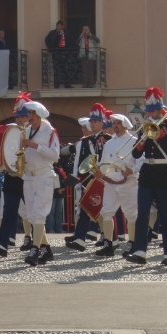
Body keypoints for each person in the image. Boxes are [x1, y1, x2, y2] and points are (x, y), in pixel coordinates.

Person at [125, 87, 167, 266]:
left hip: (163, 172)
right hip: (147, 173)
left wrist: (157, 132)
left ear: (160, 110)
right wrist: (142, 141)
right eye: (148, 112)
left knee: (166, 214)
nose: (150, 115)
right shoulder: (145, 128)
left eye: (152, 112)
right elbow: (135, 154)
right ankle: (140, 251)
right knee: (143, 214)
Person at [0, 93, 31, 257]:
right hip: (12, 176)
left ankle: (38, 242)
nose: (20, 119)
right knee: (8, 212)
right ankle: (2, 243)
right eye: (18, 116)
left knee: (33, 213)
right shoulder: (10, 132)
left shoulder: (35, 132)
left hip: (29, 177)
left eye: (23, 116)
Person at [94, 114, 140, 256]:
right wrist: (100, 172)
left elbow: (141, 161)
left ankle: (132, 243)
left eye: (118, 123)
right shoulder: (109, 143)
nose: (115, 125)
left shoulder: (134, 141)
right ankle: (109, 243)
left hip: (128, 182)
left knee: (131, 214)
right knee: (106, 211)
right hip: (111, 181)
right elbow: (104, 161)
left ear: (125, 125)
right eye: (114, 123)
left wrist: (131, 170)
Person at [66, 103, 110, 251]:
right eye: (91, 121)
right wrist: (76, 179)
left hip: (104, 179)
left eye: (96, 121)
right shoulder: (83, 142)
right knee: (85, 207)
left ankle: (108, 237)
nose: (92, 124)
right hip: (88, 181)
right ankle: (80, 239)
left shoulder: (108, 140)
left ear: (102, 123)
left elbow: (111, 160)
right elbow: (78, 163)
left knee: (105, 210)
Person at [21, 100, 60, 265]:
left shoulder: (50, 132)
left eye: (33, 114)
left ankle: (35, 249)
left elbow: (55, 155)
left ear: (40, 115)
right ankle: (46, 249)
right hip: (28, 176)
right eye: (29, 113)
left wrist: (36, 146)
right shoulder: (26, 130)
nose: (30, 117)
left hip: (44, 176)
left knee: (39, 214)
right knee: (31, 216)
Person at [44, 21, 73, 88]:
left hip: (65, 53)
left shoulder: (66, 33)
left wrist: (68, 51)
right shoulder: (52, 33)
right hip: (55, 53)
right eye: (57, 26)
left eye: (60, 26)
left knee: (65, 68)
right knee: (56, 69)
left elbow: (71, 41)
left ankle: (67, 84)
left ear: (62, 26)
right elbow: (47, 40)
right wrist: (50, 49)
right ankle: (56, 84)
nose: (58, 27)